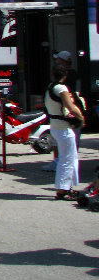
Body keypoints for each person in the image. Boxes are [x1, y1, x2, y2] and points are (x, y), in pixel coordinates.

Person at [44, 65, 85, 200]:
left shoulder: (50, 87)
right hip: (63, 128)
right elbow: (70, 106)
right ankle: (63, 190)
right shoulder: (61, 88)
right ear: (65, 75)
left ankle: (67, 187)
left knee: (68, 158)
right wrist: (80, 117)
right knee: (67, 159)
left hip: (55, 126)